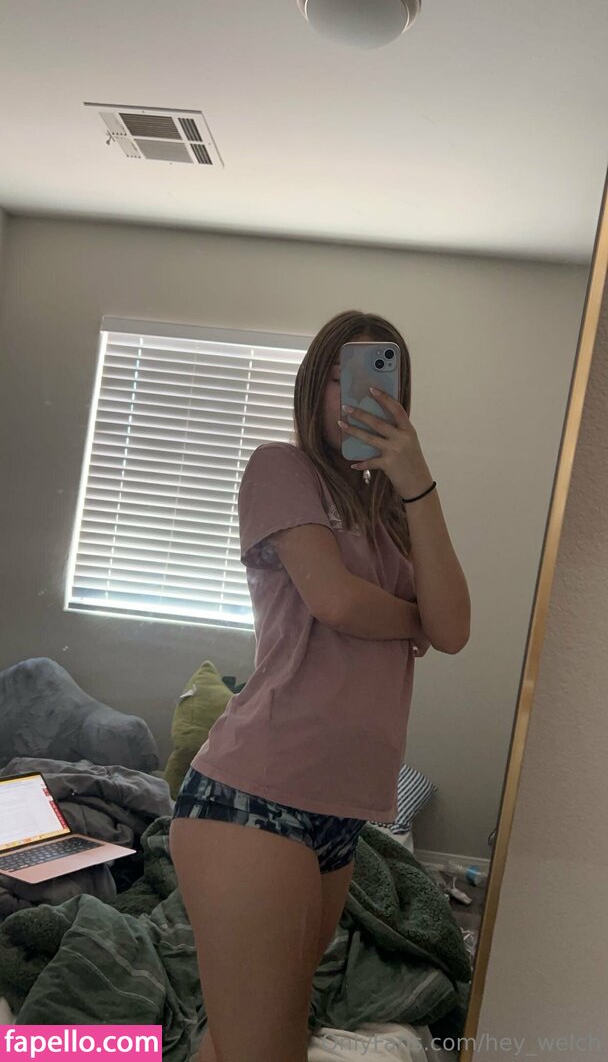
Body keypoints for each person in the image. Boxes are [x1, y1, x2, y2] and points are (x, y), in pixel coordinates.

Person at [169, 310, 471, 1062]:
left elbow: (456, 628)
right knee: (268, 1049)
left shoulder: (394, 512)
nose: (351, 394)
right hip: (254, 797)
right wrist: (413, 620)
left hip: (338, 815)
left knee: (250, 1037)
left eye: (372, 377)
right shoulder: (282, 469)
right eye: (337, 376)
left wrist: (417, 481)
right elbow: (335, 600)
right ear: (312, 386)